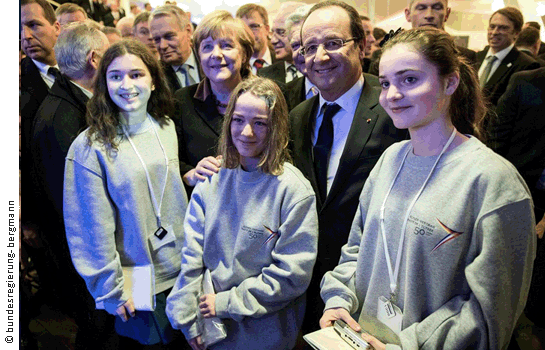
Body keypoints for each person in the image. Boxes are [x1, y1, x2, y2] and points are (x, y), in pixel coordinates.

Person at [319, 27, 536, 350]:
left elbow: (489, 312)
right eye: (387, 82)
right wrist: (338, 297)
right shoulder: (390, 159)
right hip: (362, 340)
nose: (392, 94)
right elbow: (358, 247)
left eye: (409, 80)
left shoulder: (495, 183)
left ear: (450, 82)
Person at [166, 76, 318, 350]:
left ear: (276, 126)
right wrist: (187, 318)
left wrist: (225, 303)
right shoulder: (212, 179)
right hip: (211, 326)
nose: (246, 132)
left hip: (266, 334)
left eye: (260, 123)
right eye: (238, 120)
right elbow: (191, 257)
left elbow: (291, 275)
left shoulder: (294, 191)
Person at [63, 39, 190, 349]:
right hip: (136, 277)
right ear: (104, 83)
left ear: (154, 79)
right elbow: (88, 226)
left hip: (184, 268)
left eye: (136, 74)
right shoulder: (90, 146)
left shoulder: (166, 126)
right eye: (116, 76)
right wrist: (110, 288)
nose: (127, 84)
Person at [290, 0, 407, 334]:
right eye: (310, 47)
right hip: (309, 279)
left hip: (374, 279)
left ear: (363, 45)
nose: (320, 56)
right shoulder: (298, 116)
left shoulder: (394, 108)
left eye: (333, 43)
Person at [172, 10, 254, 188]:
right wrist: (191, 174)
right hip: (205, 208)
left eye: (226, 45)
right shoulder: (182, 101)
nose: (216, 54)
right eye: (207, 47)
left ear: (245, 54)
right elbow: (172, 162)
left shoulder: (267, 98)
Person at [476, 7, 539, 106]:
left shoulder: (526, 65)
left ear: (516, 33)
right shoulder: (476, 57)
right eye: (492, 26)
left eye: (503, 28)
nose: (495, 32)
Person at [404, 0, 477, 66]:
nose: (429, 15)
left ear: (447, 14)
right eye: (421, 8)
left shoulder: (466, 57)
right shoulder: (395, 54)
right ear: (408, 14)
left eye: (437, 8)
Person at [150, 5, 202, 92]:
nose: (163, 46)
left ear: (188, 31)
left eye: (169, 36)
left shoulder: (209, 62)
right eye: (157, 39)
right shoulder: (154, 77)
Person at [257, 2, 305, 84]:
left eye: (281, 32)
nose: (273, 41)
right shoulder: (264, 76)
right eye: (273, 33)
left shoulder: (320, 70)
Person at [236, 3, 278, 74]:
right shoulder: (235, 66)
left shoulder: (282, 60)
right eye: (243, 28)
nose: (248, 32)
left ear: (267, 29)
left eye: (254, 26)